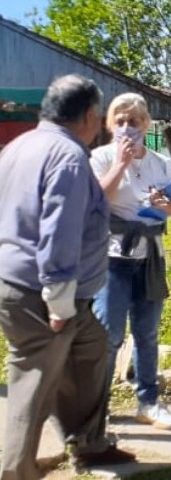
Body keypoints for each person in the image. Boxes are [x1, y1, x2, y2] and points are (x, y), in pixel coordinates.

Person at [0, 74, 136, 478]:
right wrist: (58, 302)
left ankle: (89, 444)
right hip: (43, 292)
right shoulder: (69, 157)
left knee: (90, 349)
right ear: (91, 115)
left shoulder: (18, 147)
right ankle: (14, 471)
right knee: (35, 381)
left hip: (26, 285)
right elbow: (60, 232)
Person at [90, 93, 171, 431]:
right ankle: (96, 409)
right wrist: (120, 163)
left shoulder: (161, 164)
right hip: (113, 258)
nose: (127, 127)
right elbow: (95, 199)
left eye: (133, 121)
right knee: (109, 335)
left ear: (146, 124)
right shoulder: (101, 157)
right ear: (110, 125)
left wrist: (166, 205)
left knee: (147, 333)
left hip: (150, 258)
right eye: (119, 121)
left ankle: (148, 402)